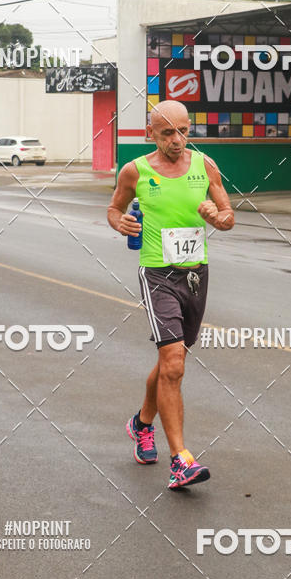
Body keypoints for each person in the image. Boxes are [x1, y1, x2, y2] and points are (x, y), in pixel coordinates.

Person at [107, 100, 234, 489]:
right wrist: (122, 222)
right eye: (167, 133)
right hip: (158, 272)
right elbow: (114, 209)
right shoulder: (136, 171)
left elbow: (229, 214)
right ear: (151, 134)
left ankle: (141, 424)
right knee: (174, 362)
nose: (178, 140)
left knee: (171, 361)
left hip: (196, 273)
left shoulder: (204, 165)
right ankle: (182, 459)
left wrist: (218, 218)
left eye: (184, 131)